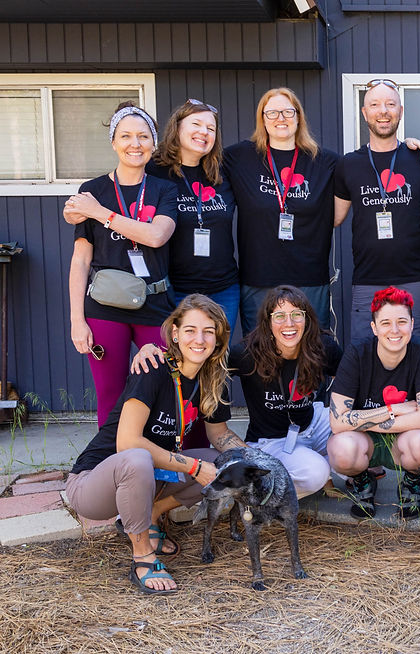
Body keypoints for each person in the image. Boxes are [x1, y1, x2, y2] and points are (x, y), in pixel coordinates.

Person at [65, 295, 248, 595]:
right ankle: (142, 557)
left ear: (218, 338)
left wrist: (251, 459)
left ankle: (150, 514)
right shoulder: (153, 367)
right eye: (190, 330)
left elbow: (219, 435)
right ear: (175, 333)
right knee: (137, 458)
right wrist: (193, 466)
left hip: (147, 477)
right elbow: (127, 443)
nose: (199, 339)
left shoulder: (213, 379)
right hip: (92, 485)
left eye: (208, 331)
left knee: (222, 462)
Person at [134, 286, 343, 498]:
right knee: (315, 473)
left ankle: (336, 472)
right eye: (279, 316)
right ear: (268, 322)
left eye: (296, 314)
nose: (289, 323)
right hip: (272, 439)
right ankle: (260, 496)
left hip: (312, 422)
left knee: (351, 440)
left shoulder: (322, 346)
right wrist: (152, 349)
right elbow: (204, 359)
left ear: (307, 319)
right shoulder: (247, 353)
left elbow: (350, 382)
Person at [64, 102, 178, 427]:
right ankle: (110, 457)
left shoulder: (164, 189)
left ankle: (160, 454)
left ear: (153, 144)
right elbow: (80, 259)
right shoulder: (92, 190)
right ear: (113, 142)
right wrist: (76, 320)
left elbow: (156, 236)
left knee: (166, 386)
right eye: (125, 136)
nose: (135, 144)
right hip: (104, 308)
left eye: (143, 136)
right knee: (110, 394)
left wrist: (99, 213)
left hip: (155, 304)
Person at [223, 87, 339, 334]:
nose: (280, 118)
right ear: (262, 119)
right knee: (260, 350)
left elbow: (364, 169)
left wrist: (407, 147)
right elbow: (196, 157)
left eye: (288, 112)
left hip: (310, 279)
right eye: (272, 113)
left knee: (312, 350)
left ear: (298, 117)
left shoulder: (324, 161)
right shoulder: (239, 157)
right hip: (258, 279)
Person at [334, 78, 420, 343]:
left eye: (390, 104)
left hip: (415, 278)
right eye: (375, 105)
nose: (383, 111)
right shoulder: (348, 165)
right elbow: (334, 217)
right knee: (365, 354)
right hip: (367, 279)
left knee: (418, 353)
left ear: (400, 111)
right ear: (364, 112)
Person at [328, 287, 420, 520]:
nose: (395, 330)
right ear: (374, 327)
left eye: (402, 321)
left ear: (412, 324)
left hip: (405, 439)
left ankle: (410, 484)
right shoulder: (357, 353)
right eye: (386, 323)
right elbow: (337, 423)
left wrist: (359, 420)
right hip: (365, 441)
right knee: (341, 449)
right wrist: (393, 410)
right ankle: (363, 482)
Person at [146, 98, 240, 332]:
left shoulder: (224, 171)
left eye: (211, 128)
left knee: (218, 352)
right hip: (174, 290)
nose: (204, 132)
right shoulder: (153, 171)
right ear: (177, 128)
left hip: (224, 289)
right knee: (180, 354)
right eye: (196, 124)